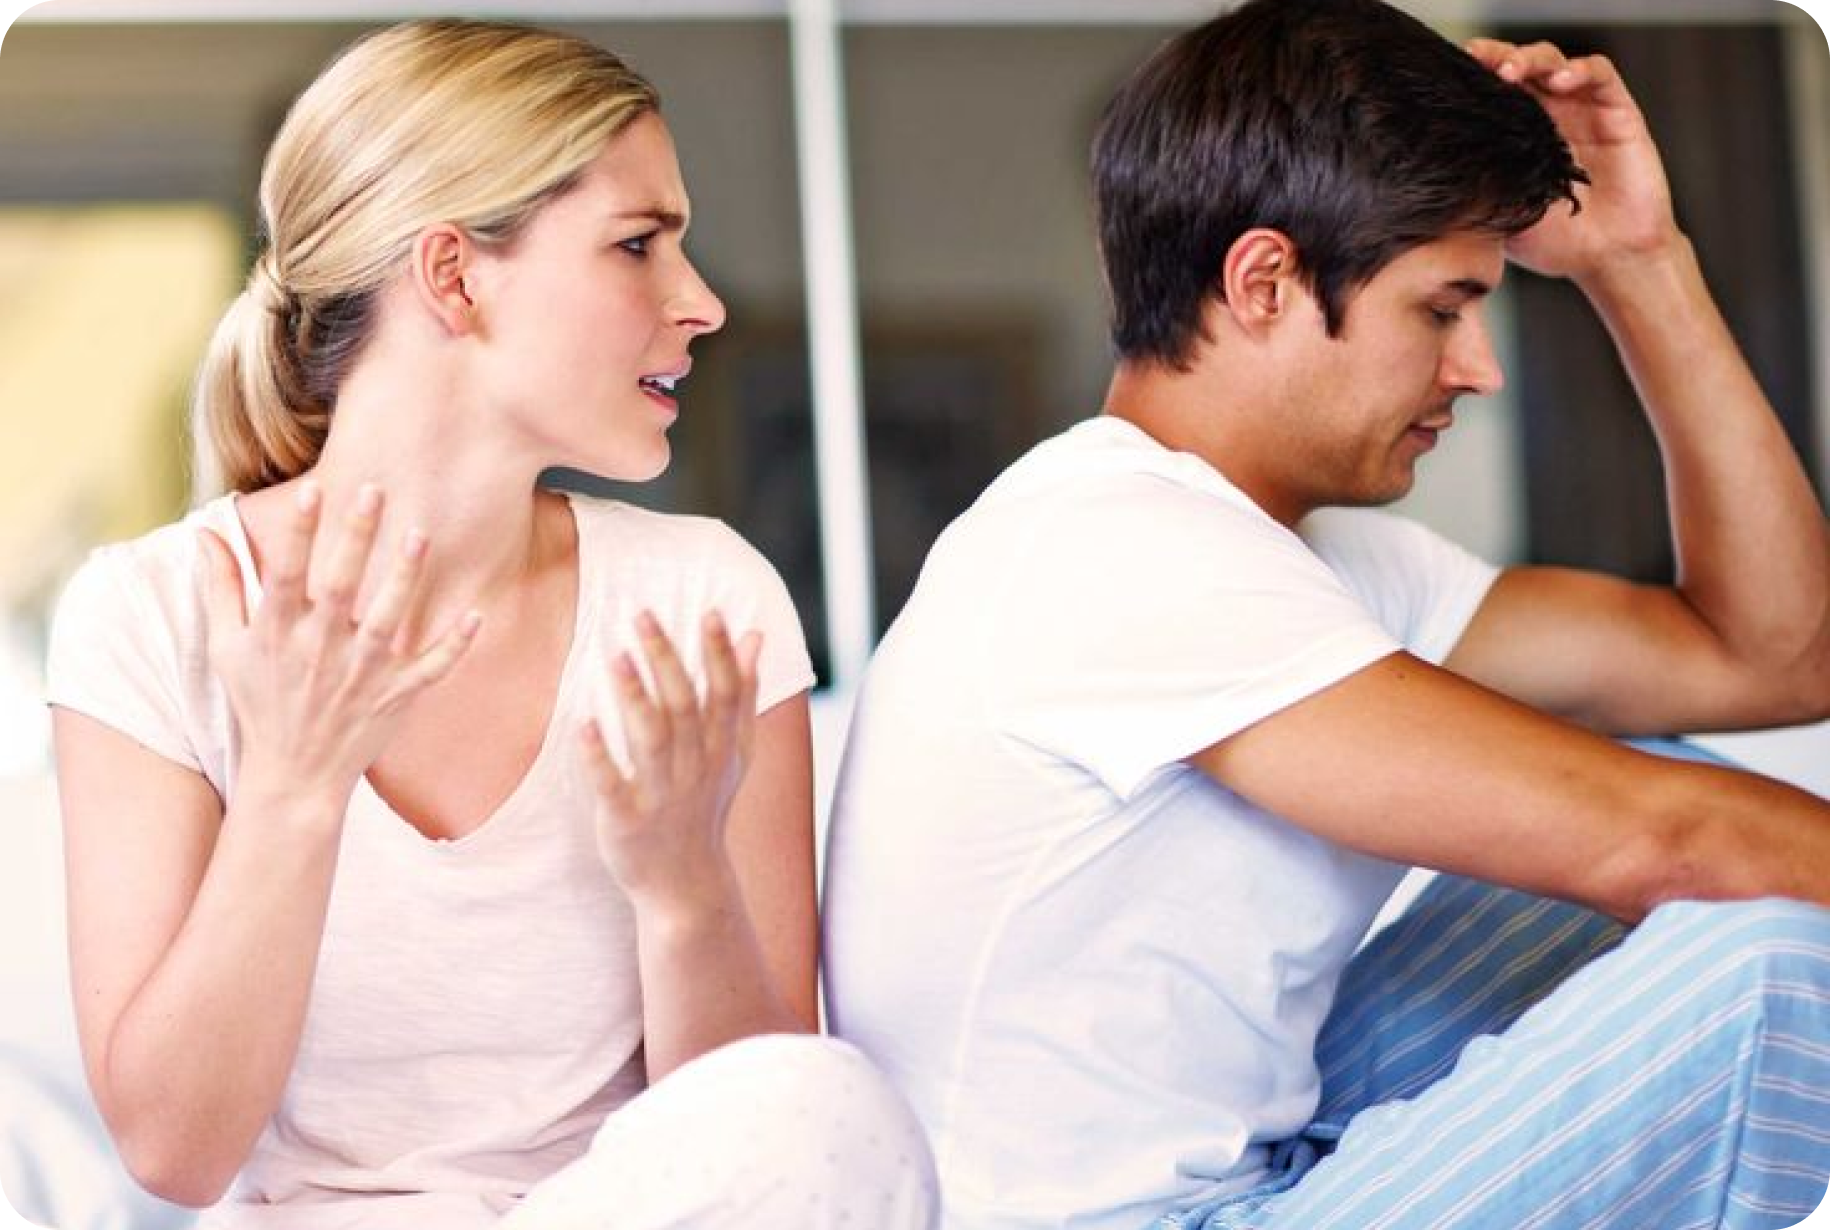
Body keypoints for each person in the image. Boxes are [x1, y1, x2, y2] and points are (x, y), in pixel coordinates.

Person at [821, 1, 1830, 1228]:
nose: (1477, 368)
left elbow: (1770, 658)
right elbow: (1669, 842)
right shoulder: (1117, 549)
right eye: (1441, 310)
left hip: (1263, 1165)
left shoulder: (1301, 558)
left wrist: (1641, 261)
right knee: (1761, 960)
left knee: (1688, 797)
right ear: (1265, 282)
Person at [45, 19, 936, 1230]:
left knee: (838, 1103)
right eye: (637, 245)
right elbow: (175, 1151)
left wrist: (683, 888)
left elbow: (769, 1136)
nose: (701, 303)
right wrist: (294, 786)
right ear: (455, 276)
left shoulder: (703, 603)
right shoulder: (154, 616)